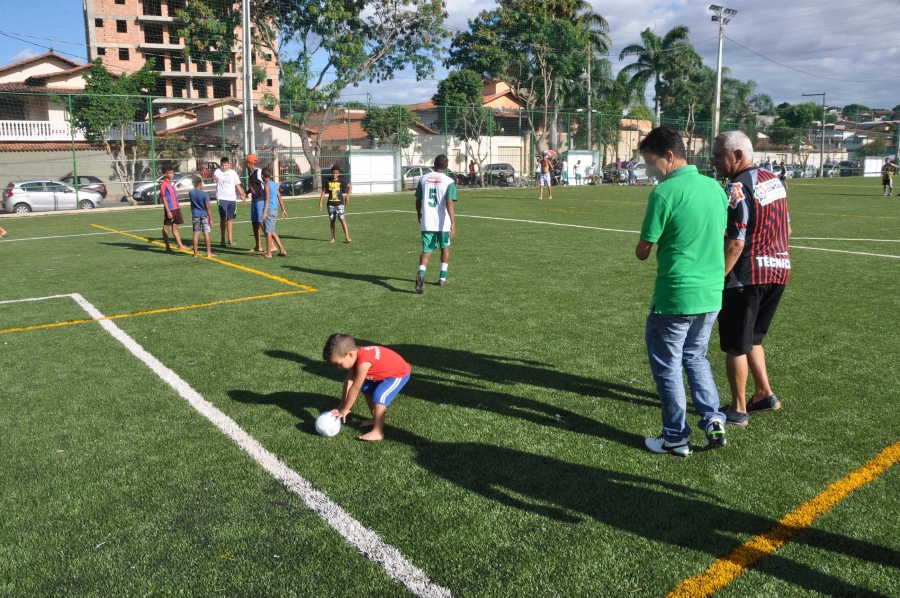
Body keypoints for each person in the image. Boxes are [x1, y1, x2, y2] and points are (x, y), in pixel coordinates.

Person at [635, 127, 728, 457]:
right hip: (711, 293)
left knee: (669, 367)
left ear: (670, 156)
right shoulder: (715, 188)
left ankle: (675, 437)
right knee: (696, 357)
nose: (650, 170)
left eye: (651, 162)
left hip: (676, 295)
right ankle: (713, 419)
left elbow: (643, 250)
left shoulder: (664, 193)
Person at [711, 130, 792, 427]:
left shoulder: (736, 186)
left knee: (735, 343)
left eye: (719, 156)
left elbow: (736, 242)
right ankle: (764, 394)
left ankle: (738, 408)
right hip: (779, 269)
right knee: (753, 338)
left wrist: (717, 278)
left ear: (738, 155)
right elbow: (787, 229)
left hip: (747, 276)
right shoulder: (774, 180)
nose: (714, 161)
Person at [323, 333, 411, 442]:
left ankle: (378, 432)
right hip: (385, 373)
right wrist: (342, 405)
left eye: (339, 364)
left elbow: (355, 388)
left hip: (398, 373)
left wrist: (346, 409)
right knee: (366, 389)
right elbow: (349, 382)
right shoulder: (356, 357)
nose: (339, 368)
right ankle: (375, 418)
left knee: (379, 396)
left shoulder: (363, 363)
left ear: (349, 354)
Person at [415, 154, 457, 293]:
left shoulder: (424, 179)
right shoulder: (449, 181)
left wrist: (419, 213)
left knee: (427, 250)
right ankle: (442, 278)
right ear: (447, 166)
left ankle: (421, 273)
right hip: (443, 223)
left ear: (434, 164)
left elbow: (418, 199)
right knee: (445, 247)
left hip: (427, 222)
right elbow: (449, 202)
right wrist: (453, 222)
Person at [213, 156, 246, 247]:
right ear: (220, 165)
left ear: (229, 164)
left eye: (226, 165)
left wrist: (242, 195)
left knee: (230, 219)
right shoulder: (218, 171)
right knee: (223, 218)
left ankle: (230, 239)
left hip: (232, 198)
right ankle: (222, 239)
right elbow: (215, 176)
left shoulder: (233, 172)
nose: (224, 167)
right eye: (222, 165)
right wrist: (214, 178)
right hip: (221, 198)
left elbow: (237, 184)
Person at [318, 166, 352, 243]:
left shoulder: (341, 180)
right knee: (332, 220)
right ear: (331, 173)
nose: (335, 175)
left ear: (339, 174)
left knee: (342, 219)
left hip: (339, 204)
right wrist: (320, 203)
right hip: (330, 204)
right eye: (333, 173)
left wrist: (347, 197)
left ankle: (347, 237)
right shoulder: (327, 181)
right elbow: (323, 192)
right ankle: (333, 238)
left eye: (336, 173)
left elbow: (350, 187)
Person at [260, 167, 288, 258]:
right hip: (274, 210)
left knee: (268, 232)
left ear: (262, 176)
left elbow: (267, 199)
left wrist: (264, 212)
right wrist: (283, 209)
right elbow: (279, 196)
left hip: (269, 210)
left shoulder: (267, 185)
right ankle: (282, 250)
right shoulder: (273, 184)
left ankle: (268, 253)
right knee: (272, 231)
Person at [160, 166, 187, 253]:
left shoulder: (172, 183)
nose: (172, 175)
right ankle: (167, 247)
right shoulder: (163, 184)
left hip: (176, 208)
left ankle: (180, 245)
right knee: (166, 227)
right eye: (170, 173)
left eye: (173, 173)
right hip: (170, 208)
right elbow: (163, 198)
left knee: (175, 226)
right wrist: (168, 211)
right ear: (165, 174)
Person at [188, 176, 216, 258]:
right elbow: (208, 207)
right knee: (206, 233)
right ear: (200, 184)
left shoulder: (191, 193)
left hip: (195, 215)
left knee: (196, 233)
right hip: (204, 215)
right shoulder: (205, 194)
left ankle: (195, 254)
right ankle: (209, 253)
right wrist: (211, 219)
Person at [245, 154, 266, 252]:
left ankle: (271, 245)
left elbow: (266, 185)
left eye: (246, 162)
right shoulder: (251, 173)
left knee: (261, 222)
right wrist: (246, 192)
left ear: (249, 163)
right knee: (254, 223)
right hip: (254, 200)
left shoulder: (259, 172)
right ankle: (258, 246)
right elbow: (254, 187)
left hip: (260, 200)